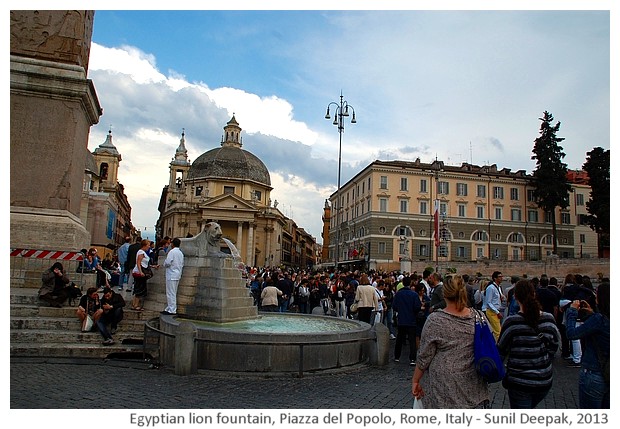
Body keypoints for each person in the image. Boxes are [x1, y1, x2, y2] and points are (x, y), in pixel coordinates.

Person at [412, 273, 489, 409]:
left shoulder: (435, 320)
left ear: (444, 295)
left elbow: (424, 356)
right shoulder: (479, 317)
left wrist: (416, 380)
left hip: (443, 386)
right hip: (474, 383)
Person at [497, 280, 561, 408]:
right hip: (543, 380)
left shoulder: (512, 322)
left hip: (519, 381)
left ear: (515, 297)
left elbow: (501, 350)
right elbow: (554, 345)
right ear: (534, 294)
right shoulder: (548, 318)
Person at [565, 282, 610, 409]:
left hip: (594, 372)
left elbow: (571, 333)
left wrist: (572, 311)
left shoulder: (599, 320)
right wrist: (592, 314)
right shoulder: (602, 319)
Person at [392, 276, 422, 366]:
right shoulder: (414, 295)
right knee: (412, 340)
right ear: (410, 284)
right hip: (411, 319)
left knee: (399, 339)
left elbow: (395, 307)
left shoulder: (398, 294)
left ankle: (397, 356)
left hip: (401, 319)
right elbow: (417, 307)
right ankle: (412, 358)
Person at [131, 239, 159, 311]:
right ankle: (136, 305)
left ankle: (134, 304)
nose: (149, 247)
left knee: (138, 287)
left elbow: (145, 264)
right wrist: (140, 272)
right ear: (144, 245)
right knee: (139, 288)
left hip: (139, 271)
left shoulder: (143, 252)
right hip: (138, 273)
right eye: (148, 245)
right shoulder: (141, 252)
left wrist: (153, 266)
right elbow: (138, 263)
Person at [162, 238, 184, 315]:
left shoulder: (172, 252)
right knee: (173, 292)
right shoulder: (180, 253)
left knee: (170, 292)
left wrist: (164, 263)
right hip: (177, 274)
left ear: (172, 244)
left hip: (171, 274)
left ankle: (172, 309)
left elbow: (168, 262)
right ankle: (169, 307)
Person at [482, 271, 504, 341]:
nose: (501, 278)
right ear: (495, 278)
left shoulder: (498, 287)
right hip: (492, 311)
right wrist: (497, 312)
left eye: (501, 277)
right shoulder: (491, 288)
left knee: (496, 330)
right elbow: (488, 302)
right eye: (499, 277)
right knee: (498, 331)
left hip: (497, 310)